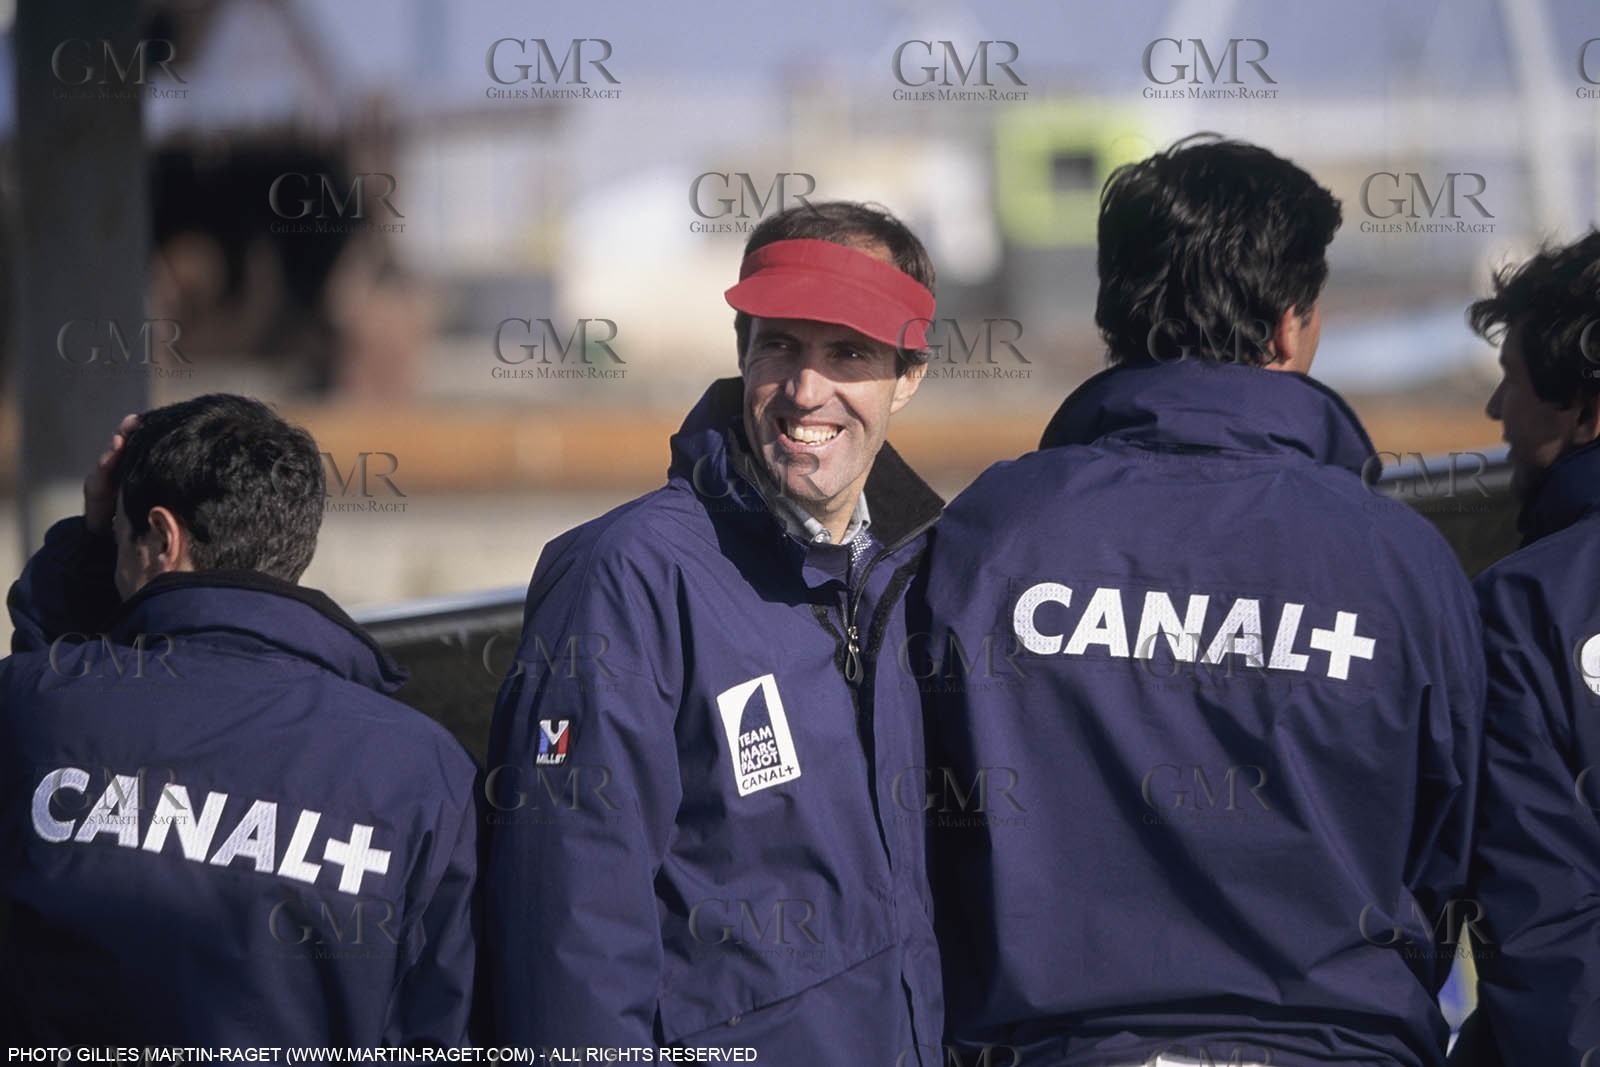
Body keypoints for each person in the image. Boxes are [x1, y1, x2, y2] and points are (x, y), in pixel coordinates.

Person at [916, 136, 1483, 1067]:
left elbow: (913, 820)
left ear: (1114, 317)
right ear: (1291, 328)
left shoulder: (989, 537)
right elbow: (1447, 855)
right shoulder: (1401, 561)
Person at [484, 202, 945, 1062]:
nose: (807, 391)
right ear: (742, 351)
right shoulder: (628, 578)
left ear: (908, 373)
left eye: (847, 352)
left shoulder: (928, 577)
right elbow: (568, 931)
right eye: (780, 346)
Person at [0, 394, 478, 1046]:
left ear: (162, 538)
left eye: (118, 540)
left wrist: (80, 543)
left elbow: (53, 688)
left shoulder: (35, 708)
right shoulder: (424, 771)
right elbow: (440, 1023)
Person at [1458, 231, 1600, 1067]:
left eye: (1510, 379)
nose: (1493, 411)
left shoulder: (1524, 607)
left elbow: (1551, 921)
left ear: (1586, 406)